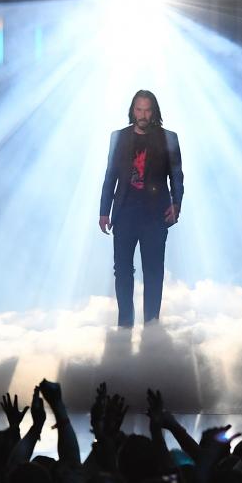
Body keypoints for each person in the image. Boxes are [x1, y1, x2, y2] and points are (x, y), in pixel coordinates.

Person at [99, 90, 183, 327]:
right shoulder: (118, 137)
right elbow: (110, 176)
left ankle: (152, 326)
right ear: (132, 110)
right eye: (139, 109)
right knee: (122, 271)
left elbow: (177, 176)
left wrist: (177, 204)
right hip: (124, 212)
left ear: (154, 111)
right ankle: (125, 324)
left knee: (154, 272)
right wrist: (104, 211)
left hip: (155, 215)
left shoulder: (169, 138)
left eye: (147, 110)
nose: (143, 115)